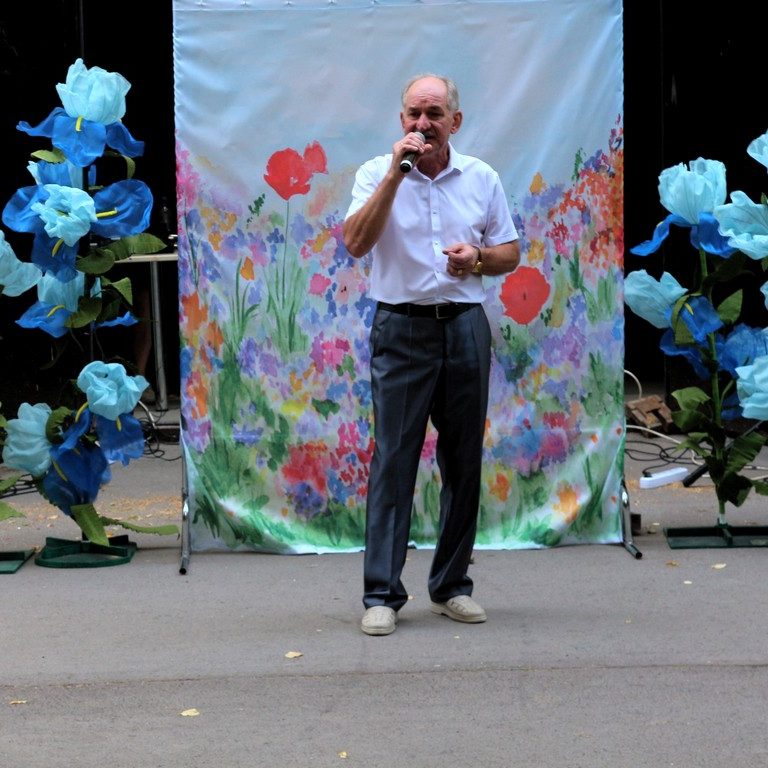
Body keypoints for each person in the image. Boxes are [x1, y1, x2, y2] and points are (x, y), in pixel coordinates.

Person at [343, 74, 521, 636]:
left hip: (465, 327)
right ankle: (381, 594)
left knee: (463, 461)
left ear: (455, 122)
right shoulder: (376, 173)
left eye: (435, 114)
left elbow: (510, 253)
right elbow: (355, 243)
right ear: (402, 121)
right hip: (401, 330)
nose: (423, 124)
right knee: (394, 460)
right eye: (414, 114)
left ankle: (450, 587)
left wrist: (478, 259)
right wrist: (395, 178)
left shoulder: (481, 177)